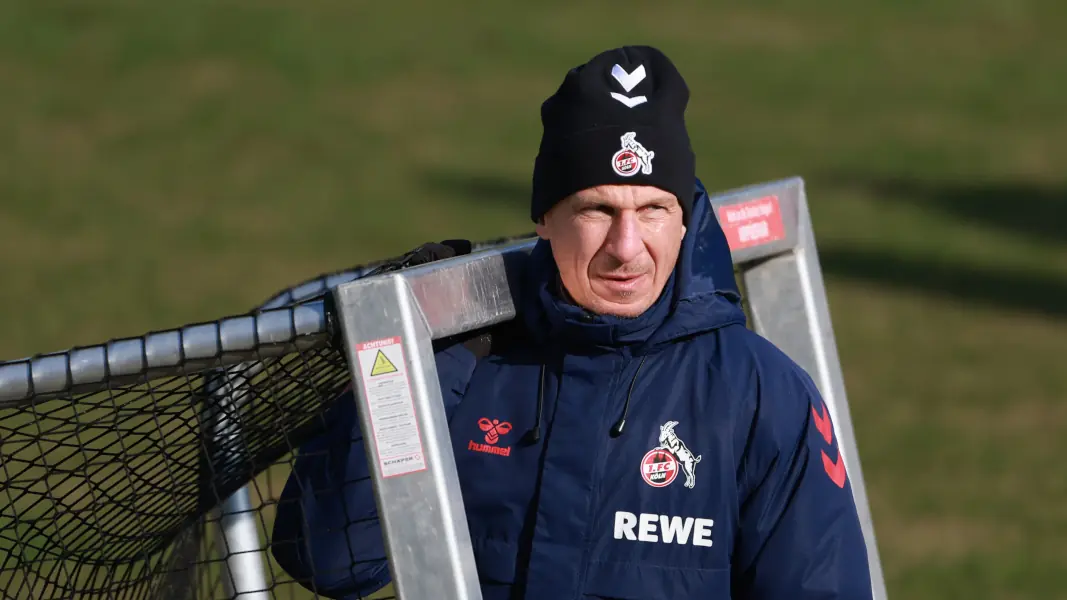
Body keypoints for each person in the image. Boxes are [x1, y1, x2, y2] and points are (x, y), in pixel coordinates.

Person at [272, 45, 874, 599]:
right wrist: (416, 360)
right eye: (597, 209)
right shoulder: (464, 364)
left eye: (654, 210)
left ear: (686, 219)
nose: (627, 246)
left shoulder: (763, 396)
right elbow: (330, 560)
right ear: (544, 217)